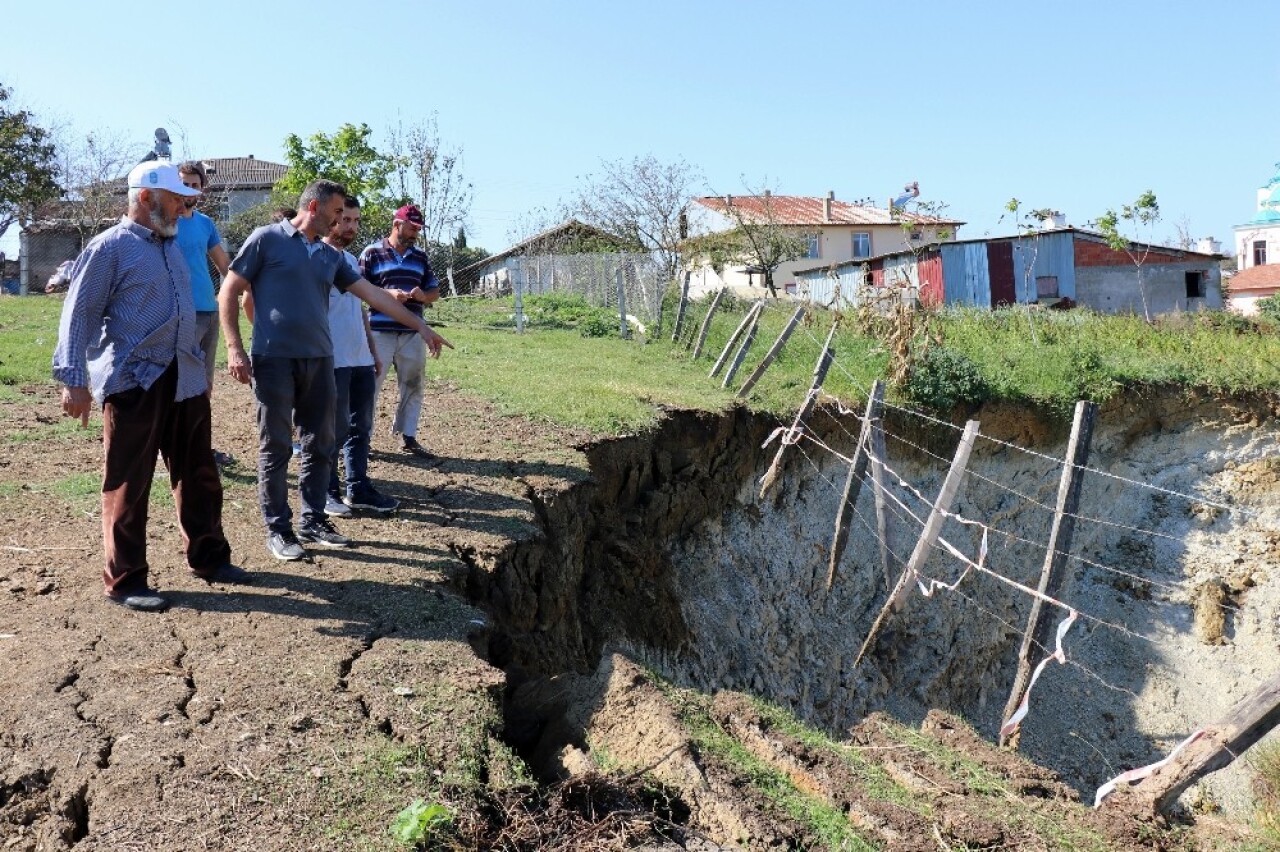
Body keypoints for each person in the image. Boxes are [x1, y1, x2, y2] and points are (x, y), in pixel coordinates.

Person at [51, 161, 249, 612]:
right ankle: (125, 581)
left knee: (199, 472)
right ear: (145, 197)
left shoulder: (173, 246)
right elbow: (78, 315)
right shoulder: (109, 249)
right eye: (177, 198)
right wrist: (74, 381)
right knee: (128, 481)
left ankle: (210, 558)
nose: (184, 206)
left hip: (185, 375)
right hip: (134, 381)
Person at [218, 180, 450, 562]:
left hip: (321, 361)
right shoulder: (267, 239)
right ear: (314, 207)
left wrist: (422, 327)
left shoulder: (331, 258)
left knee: (321, 443)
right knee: (275, 446)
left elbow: (373, 296)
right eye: (337, 212)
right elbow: (229, 291)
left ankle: (313, 520)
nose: (342, 219)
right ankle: (278, 528)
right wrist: (234, 348)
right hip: (274, 360)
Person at [321, 197, 399, 515]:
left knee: (360, 427)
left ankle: (358, 488)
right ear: (332, 218)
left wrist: (371, 350)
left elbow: (361, 309)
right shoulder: (316, 258)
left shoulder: (352, 261)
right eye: (345, 219)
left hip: (360, 359)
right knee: (331, 429)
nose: (351, 226)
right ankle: (326, 491)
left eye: (356, 220)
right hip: (332, 359)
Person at [361, 204, 440, 460]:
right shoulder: (372, 253)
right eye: (413, 227)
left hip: (412, 333)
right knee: (370, 385)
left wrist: (422, 295)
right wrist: (387, 295)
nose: (416, 233)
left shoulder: (420, 257)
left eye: (418, 228)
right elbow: (357, 288)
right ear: (397, 225)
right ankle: (363, 439)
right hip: (380, 332)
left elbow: (434, 292)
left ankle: (409, 436)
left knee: (413, 384)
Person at [175, 161, 234, 468]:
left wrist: (245, 287)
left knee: (204, 386)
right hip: (179, 316)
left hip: (209, 312)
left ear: (202, 189)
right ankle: (177, 449)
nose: (190, 190)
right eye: (184, 183)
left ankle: (199, 448)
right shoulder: (163, 222)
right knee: (178, 385)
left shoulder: (205, 223)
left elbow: (225, 266)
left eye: (195, 185)